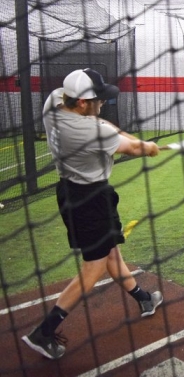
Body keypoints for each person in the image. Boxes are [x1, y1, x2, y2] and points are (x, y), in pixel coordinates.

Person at [22, 68, 163, 360]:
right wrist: (148, 147)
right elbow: (132, 148)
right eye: (97, 99)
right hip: (91, 200)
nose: (102, 103)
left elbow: (105, 127)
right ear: (82, 103)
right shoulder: (89, 132)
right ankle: (44, 332)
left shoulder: (54, 102)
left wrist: (136, 142)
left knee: (110, 253)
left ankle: (144, 299)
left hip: (70, 192)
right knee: (94, 267)